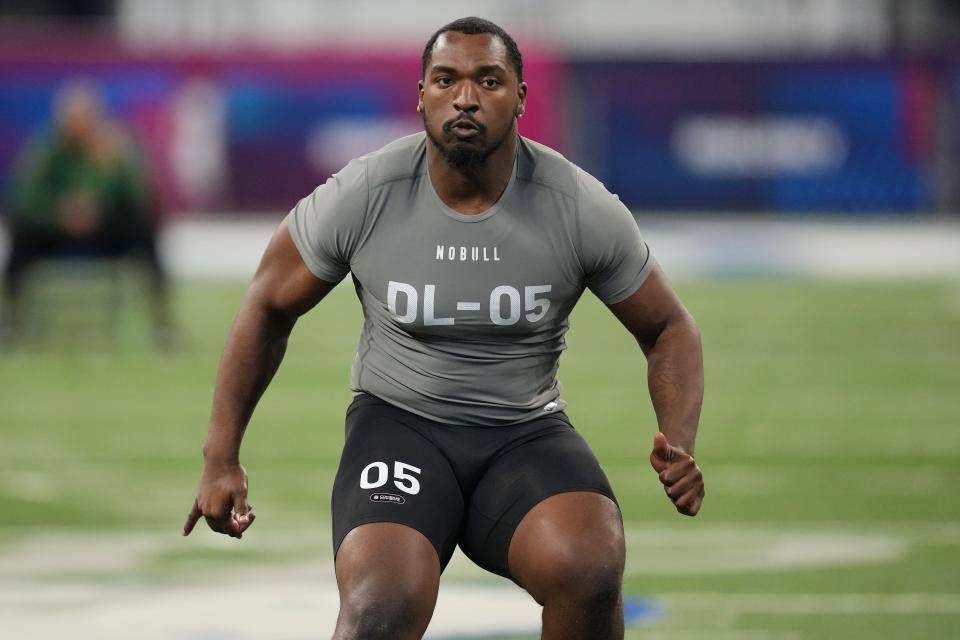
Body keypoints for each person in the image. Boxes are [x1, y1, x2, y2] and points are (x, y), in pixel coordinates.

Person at [183, 16, 704, 640]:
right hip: (399, 428)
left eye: (488, 80)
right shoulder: (368, 192)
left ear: (520, 97)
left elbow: (669, 325)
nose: (465, 97)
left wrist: (679, 439)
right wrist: (221, 457)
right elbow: (267, 304)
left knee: (589, 571)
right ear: (422, 94)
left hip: (523, 432)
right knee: (381, 608)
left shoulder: (577, 205)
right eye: (446, 79)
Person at [0, 81, 174, 347]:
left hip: (103, 231)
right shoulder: (48, 149)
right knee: (20, 231)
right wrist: (60, 212)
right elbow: (26, 196)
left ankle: (162, 325)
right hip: (57, 231)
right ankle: (12, 324)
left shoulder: (114, 146)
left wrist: (106, 189)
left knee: (144, 229)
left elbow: (140, 198)